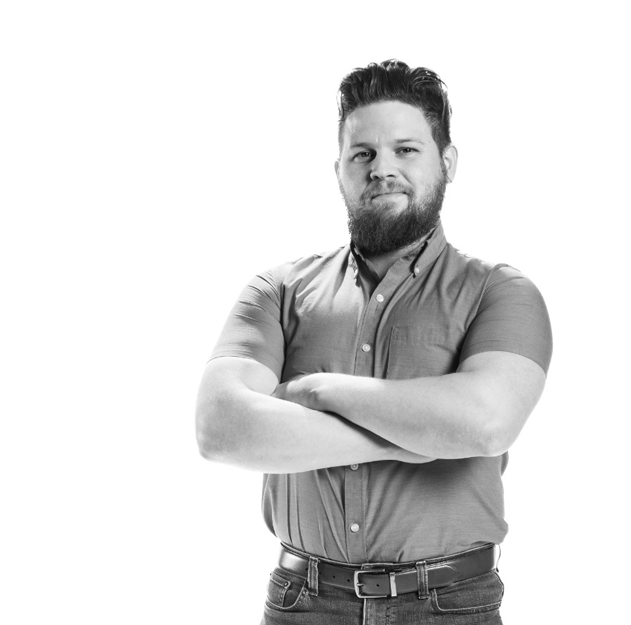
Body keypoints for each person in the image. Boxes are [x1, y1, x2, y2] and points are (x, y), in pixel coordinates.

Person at [195, 59, 552, 624]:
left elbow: (484, 422)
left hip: (449, 605)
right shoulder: (278, 290)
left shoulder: (500, 293)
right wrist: (411, 438)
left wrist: (316, 390)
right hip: (302, 602)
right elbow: (220, 428)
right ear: (338, 169)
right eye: (363, 153)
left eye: (406, 150)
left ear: (448, 162)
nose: (382, 169)